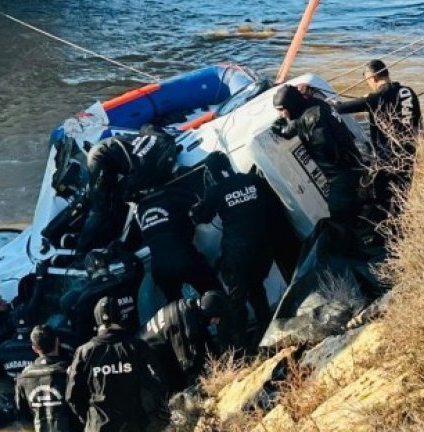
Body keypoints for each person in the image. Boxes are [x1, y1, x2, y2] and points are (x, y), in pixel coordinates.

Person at [190, 154, 286, 349]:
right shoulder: (253, 180)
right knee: (256, 288)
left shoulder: (216, 190)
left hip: (237, 253)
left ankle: (241, 350)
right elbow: (273, 202)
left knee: (237, 301)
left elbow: (203, 217)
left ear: (212, 172)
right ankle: (268, 332)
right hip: (264, 250)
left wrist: (196, 208)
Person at [333, 60, 422, 218]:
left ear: (372, 78)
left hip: (388, 158)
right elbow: (417, 121)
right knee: (402, 198)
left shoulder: (377, 98)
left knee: (383, 200)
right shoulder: (408, 92)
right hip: (408, 153)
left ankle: (386, 234)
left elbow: (343, 108)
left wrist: (327, 105)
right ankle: (401, 230)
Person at [66, 297, 166, 432]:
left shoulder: (84, 351)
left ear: (96, 319)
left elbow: (72, 395)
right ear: (121, 317)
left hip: (98, 425)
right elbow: (158, 382)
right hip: (133, 424)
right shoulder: (137, 347)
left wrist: (89, 419)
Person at [78, 125, 180, 253]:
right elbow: (127, 192)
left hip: (108, 146)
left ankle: (106, 228)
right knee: (100, 209)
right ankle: (81, 251)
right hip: (100, 158)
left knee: (112, 196)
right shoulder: (147, 170)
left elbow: (147, 127)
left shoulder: (166, 139)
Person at [270, 85, 364, 222]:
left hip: (341, 172)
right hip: (353, 160)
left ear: (291, 105)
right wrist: (286, 129)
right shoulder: (315, 104)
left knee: (339, 214)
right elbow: (299, 123)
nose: (281, 114)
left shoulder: (312, 120)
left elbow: (328, 153)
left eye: (282, 110)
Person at [132, 182, 220, 302]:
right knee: (215, 296)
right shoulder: (176, 195)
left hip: (159, 268)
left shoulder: (140, 208)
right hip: (184, 258)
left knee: (175, 309)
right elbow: (202, 207)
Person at [140, 291, 226, 393]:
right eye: (215, 318)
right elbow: (188, 365)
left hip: (156, 344)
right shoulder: (186, 326)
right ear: (207, 314)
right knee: (176, 387)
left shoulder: (190, 308)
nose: (217, 322)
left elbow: (205, 339)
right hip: (146, 353)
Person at [15, 325, 76, 432]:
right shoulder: (69, 372)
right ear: (57, 341)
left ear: (34, 348)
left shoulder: (23, 378)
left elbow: (23, 416)